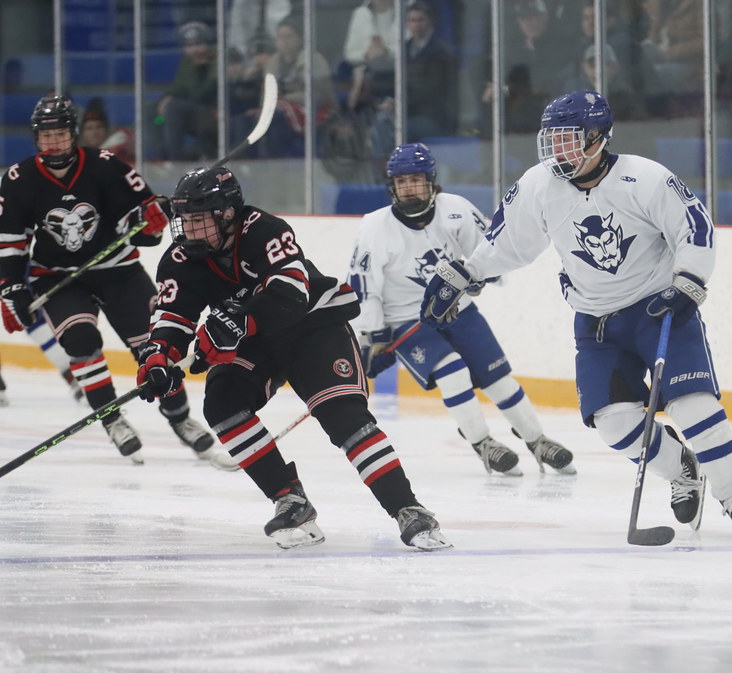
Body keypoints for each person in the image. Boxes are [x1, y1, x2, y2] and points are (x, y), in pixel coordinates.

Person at [420, 90, 732, 536]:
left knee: (693, 405)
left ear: (599, 137)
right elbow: (506, 244)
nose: (558, 151)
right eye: (553, 140)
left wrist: (688, 280)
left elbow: (693, 224)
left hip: (660, 310)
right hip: (597, 325)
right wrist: (463, 274)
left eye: (570, 139)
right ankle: (682, 469)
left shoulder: (644, 178)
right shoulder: (538, 186)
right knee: (615, 426)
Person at [137, 166, 451, 551]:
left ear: (227, 214)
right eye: (184, 220)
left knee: (343, 417)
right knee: (222, 404)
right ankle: (291, 500)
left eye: (198, 220)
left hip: (312, 326)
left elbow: (289, 295)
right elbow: (173, 316)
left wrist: (235, 323)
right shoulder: (180, 258)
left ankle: (408, 508)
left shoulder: (266, 230)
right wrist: (158, 357)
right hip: (255, 341)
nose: (188, 230)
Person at [0, 95, 218, 465]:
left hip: (119, 270)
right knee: (81, 340)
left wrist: (148, 225)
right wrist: (11, 287)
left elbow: (145, 226)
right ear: (36, 138)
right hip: (58, 278)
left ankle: (181, 419)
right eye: (45, 136)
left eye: (60, 134)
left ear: (74, 133)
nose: (53, 143)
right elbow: (10, 242)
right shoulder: (18, 179)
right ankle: (112, 419)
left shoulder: (105, 166)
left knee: (156, 348)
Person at [348, 143, 576, 477]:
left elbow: (487, 250)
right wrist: (374, 334)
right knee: (452, 372)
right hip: (407, 320)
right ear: (392, 186)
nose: (408, 187)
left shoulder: (456, 209)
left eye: (415, 179)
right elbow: (362, 284)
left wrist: (480, 278)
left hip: (457, 308)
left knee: (498, 378)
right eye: (401, 181)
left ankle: (536, 440)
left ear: (431, 181)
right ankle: (483, 443)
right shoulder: (374, 227)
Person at [263, 14, 336, 157]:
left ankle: (282, 161)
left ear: (299, 39)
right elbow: (266, 95)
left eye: (289, 36)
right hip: (281, 112)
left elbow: (321, 96)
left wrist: (288, 99)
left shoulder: (314, 60)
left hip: (313, 113)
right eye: (281, 37)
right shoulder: (272, 63)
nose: (285, 41)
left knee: (277, 120)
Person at [146, 21, 218, 161]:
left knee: (174, 108)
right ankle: (161, 158)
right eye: (189, 46)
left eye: (198, 44)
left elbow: (202, 95)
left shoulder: (217, 62)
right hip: (187, 114)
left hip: (209, 116)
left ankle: (176, 159)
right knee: (152, 111)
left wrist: (200, 69)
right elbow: (178, 88)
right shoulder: (188, 62)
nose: (194, 50)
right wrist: (166, 98)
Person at [404, 2, 458, 142]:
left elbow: (433, 89)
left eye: (420, 19)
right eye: (412, 20)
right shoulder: (403, 49)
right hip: (406, 111)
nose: (416, 24)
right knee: (382, 122)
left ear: (431, 21)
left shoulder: (441, 51)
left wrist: (401, 103)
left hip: (431, 116)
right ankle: (385, 163)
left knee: (401, 128)